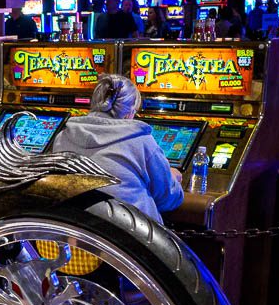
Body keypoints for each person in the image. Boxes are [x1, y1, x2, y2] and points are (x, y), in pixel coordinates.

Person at [52, 74, 183, 223]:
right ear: (129, 113)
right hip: (130, 241)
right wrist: (173, 178)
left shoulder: (63, 137)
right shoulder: (141, 141)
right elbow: (168, 199)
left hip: (78, 238)